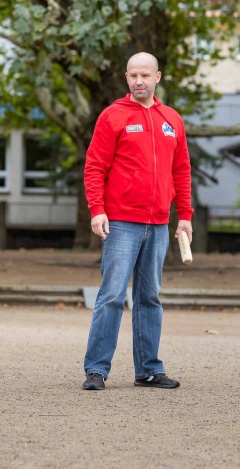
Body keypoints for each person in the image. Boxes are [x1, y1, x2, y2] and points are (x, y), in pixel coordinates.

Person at [80, 52, 193, 391]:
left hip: (158, 222)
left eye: (145, 75)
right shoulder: (112, 116)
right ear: (126, 78)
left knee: (149, 297)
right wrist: (97, 209)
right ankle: (96, 370)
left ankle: (148, 369)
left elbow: (182, 170)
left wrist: (184, 216)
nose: (139, 81)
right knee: (112, 295)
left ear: (158, 76)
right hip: (120, 222)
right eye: (133, 76)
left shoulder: (171, 119)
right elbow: (94, 167)